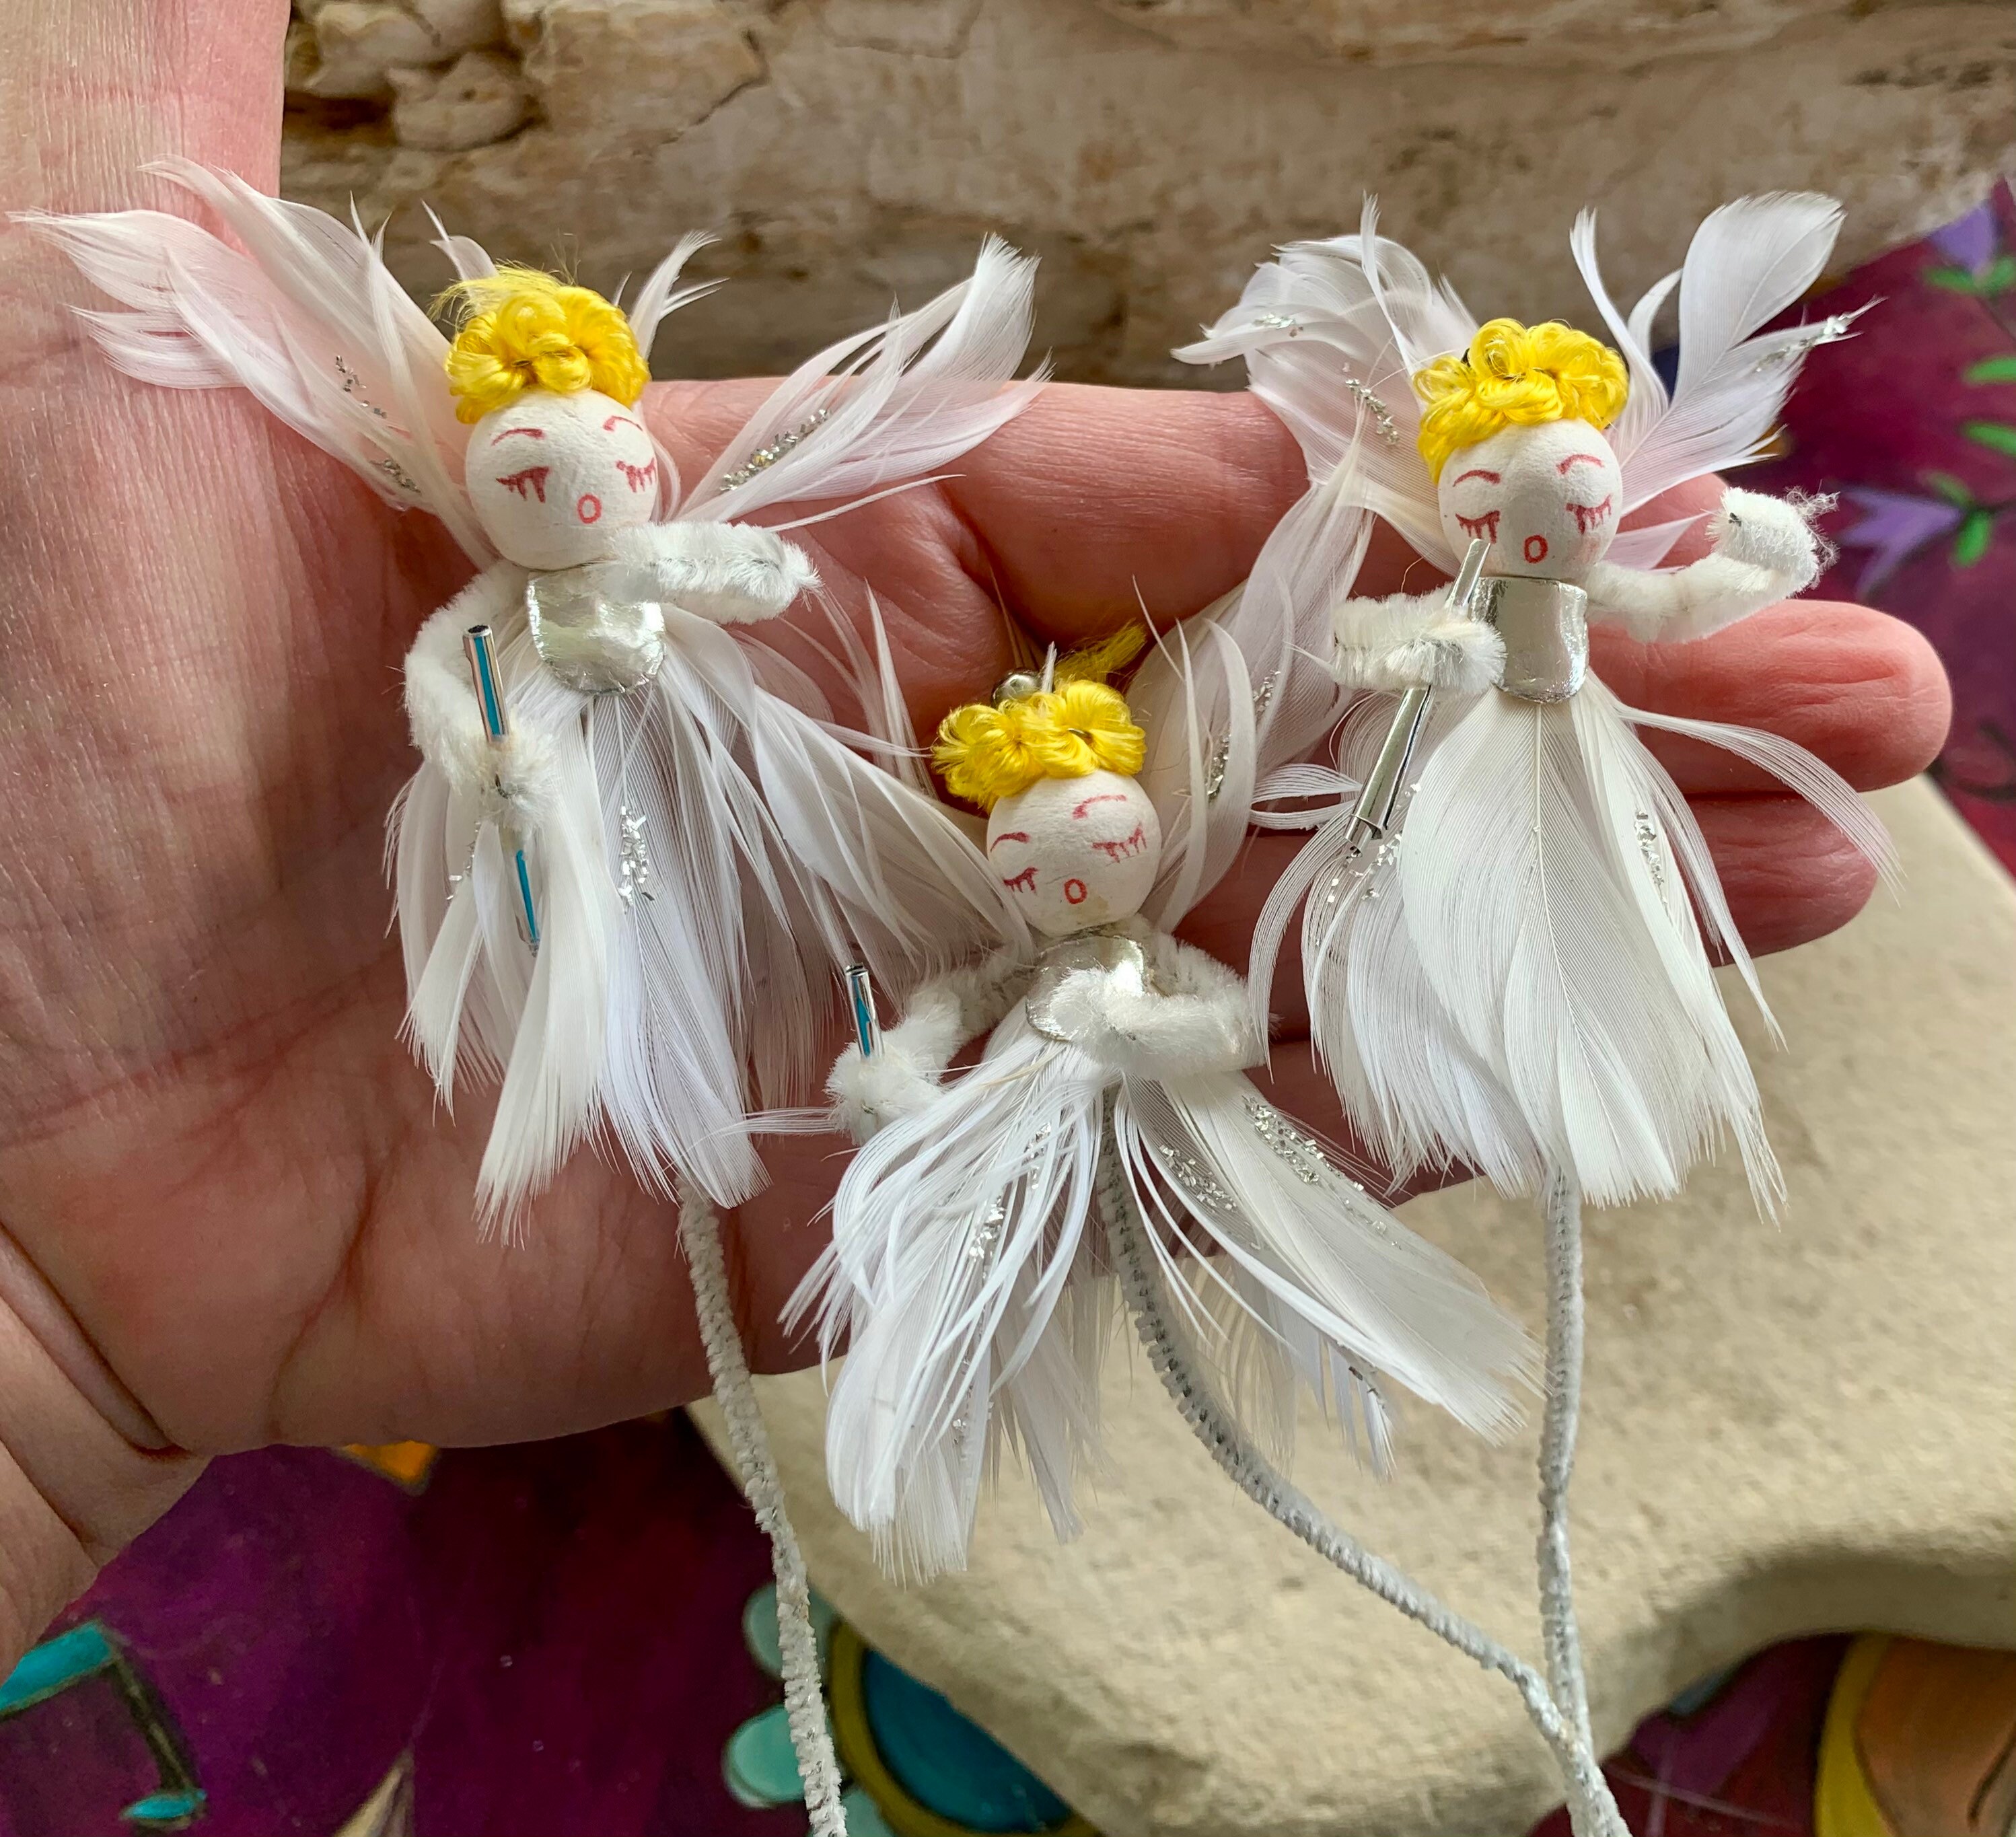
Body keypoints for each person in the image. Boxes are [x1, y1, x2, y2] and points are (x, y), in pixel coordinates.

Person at [0, 0, 1951, 1676]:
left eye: (590, 455)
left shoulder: (1430, 635)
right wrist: (507, 774)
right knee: (645, 960)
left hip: (1460, 777)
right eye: (540, 470)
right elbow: (571, 645)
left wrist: (1722, 556)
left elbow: (1550, 627)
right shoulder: (539, 622)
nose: (590, 477)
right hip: (636, 770)